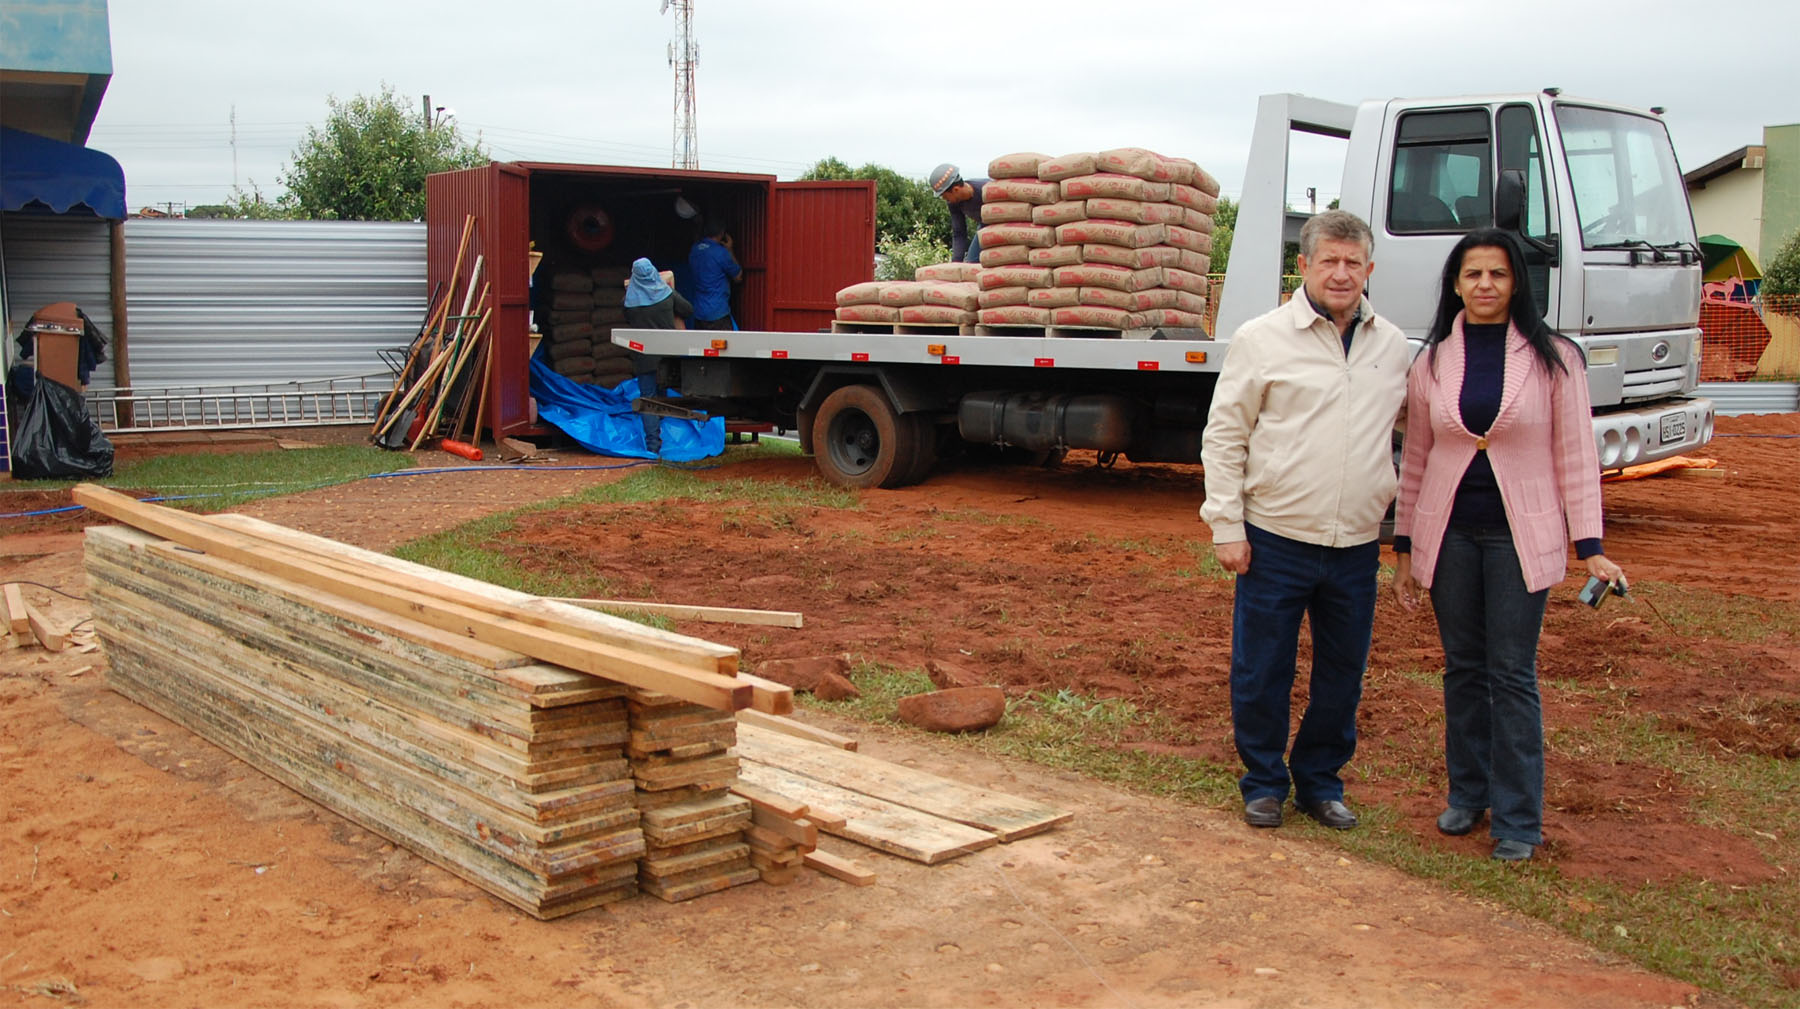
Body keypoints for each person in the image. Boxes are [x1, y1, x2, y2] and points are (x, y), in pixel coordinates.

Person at [1390, 229, 1625, 862]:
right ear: (1456, 284)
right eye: (1472, 275)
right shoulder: (1433, 360)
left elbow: (1576, 456)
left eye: (1497, 274)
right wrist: (1405, 541)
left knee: (1511, 674)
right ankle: (1468, 794)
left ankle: (1519, 820)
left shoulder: (1555, 359)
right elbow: (1416, 457)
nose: (1485, 285)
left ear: (1516, 282)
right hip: (1451, 534)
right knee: (1463, 670)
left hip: (1521, 537)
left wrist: (1591, 544)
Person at [1200, 210, 1410, 831]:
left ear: (1370, 269)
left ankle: (1320, 782)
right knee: (1263, 667)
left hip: (1353, 546)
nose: (1341, 274)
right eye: (1329, 261)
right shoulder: (1262, 338)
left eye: (1353, 263)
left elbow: (1411, 436)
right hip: (1274, 538)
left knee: (1342, 674)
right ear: (1304, 267)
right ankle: (1263, 782)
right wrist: (1226, 526)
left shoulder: (1392, 346)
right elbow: (1225, 436)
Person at [688, 219, 742, 331]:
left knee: (701, 346)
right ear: (722, 233)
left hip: (699, 312)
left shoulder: (694, 250)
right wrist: (730, 249)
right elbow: (738, 277)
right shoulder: (720, 252)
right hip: (718, 312)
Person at [928, 163, 987, 264]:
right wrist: (956, 264)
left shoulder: (986, 190)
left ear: (955, 190)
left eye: (945, 196)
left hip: (1004, 224)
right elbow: (959, 232)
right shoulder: (953, 203)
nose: (945, 199)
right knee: (971, 263)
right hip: (984, 227)